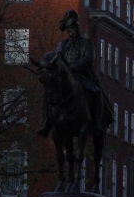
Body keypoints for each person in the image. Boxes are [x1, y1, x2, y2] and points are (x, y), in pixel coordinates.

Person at [37, 10, 114, 138]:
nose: (74, 30)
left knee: (96, 92)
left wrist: (72, 67)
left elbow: (88, 59)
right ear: (67, 29)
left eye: (75, 26)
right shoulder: (62, 44)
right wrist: (45, 60)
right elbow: (55, 55)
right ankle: (45, 123)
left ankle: (96, 122)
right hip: (64, 77)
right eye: (71, 27)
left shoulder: (86, 43)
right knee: (49, 93)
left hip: (83, 76)